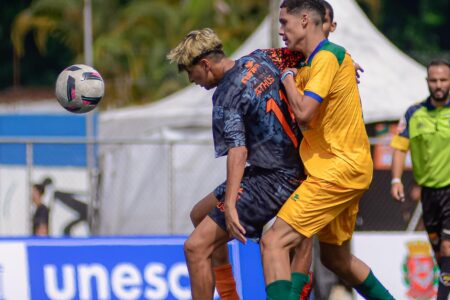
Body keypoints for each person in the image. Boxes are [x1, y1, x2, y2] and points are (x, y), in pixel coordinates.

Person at [260, 1, 394, 299]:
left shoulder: (326, 57)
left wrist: (287, 78)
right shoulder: (322, 59)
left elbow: (305, 112)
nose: (280, 30)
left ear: (305, 20)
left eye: (284, 23)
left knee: (273, 242)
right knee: (335, 259)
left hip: (336, 168)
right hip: (343, 168)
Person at [167, 28, 313, 299]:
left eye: (190, 72)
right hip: (288, 168)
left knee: (195, 248)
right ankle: (230, 295)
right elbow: (306, 53)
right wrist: (343, 63)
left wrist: (231, 204)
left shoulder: (227, 94)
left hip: (275, 180)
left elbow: (238, 150)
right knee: (199, 215)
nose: (191, 79)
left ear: (205, 65)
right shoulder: (260, 59)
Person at [390, 58, 450, 299]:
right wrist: (395, 180)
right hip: (428, 192)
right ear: (427, 82)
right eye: (434, 80)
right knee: (439, 253)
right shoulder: (414, 113)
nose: (438, 85)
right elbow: (399, 148)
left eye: (443, 80)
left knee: (448, 247)